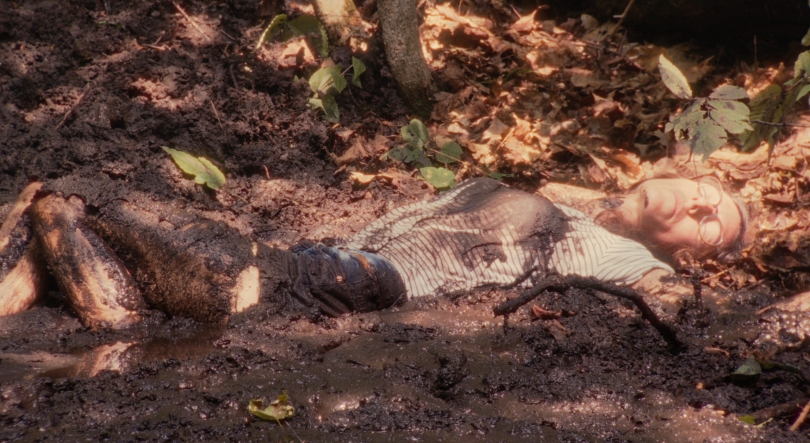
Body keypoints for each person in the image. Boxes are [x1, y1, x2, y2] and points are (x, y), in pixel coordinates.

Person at [0, 175, 746, 324]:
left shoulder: (645, 271)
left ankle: (58, 235)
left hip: (374, 283)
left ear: (693, 258)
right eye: (708, 187)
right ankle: (60, 260)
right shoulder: (570, 196)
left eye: (714, 222)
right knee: (83, 216)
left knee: (233, 278)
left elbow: (698, 316)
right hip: (337, 252)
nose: (698, 203)